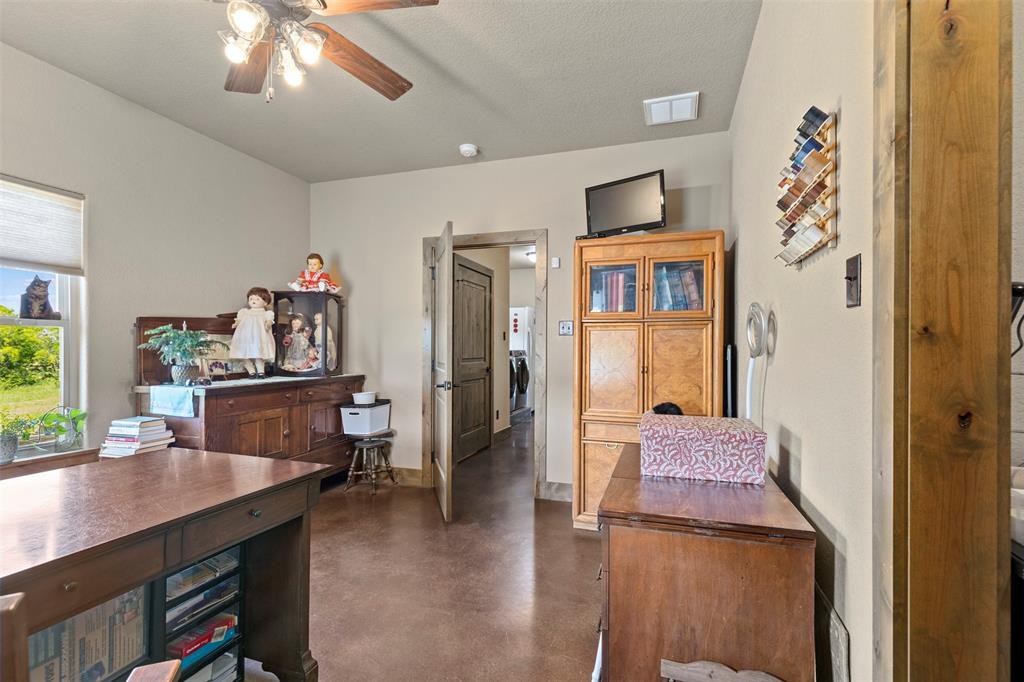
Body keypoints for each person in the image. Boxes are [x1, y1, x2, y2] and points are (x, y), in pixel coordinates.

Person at [228, 287, 275, 379]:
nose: (253, 301)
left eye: (257, 299)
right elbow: (239, 321)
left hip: (259, 337)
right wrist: (235, 324)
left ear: (265, 302)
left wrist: (268, 324)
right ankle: (251, 371)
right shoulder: (244, 312)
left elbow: (269, 321)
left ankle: (261, 372)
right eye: (251, 299)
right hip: (245, 337)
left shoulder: (266, 313)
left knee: (259, 354)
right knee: (243, 354)